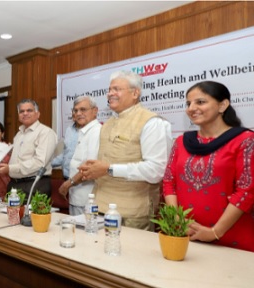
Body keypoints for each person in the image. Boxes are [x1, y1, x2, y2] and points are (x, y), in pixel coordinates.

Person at [163, 81, 254, 252]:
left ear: (223, 105)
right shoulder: (182, 141)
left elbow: (246, 191)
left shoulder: (245, 140)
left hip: (231, 238)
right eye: (188, 103)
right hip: (185, 235)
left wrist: (214, 232)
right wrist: (178, 221)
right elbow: (169, 182)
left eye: (200, 102)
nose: (191, 108)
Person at [79, 70, 172, 230]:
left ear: (135, 93)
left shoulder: (152, 122)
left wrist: (109, 169)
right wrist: (92, 169)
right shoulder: (108, 123)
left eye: (116, 89)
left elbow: (156, 170)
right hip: (99, 208)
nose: (110, 94)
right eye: (109, 90)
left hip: (132, 214)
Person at [0, 99, 57, 198]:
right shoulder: (19, 134)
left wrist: (10, 168)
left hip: (35, 184)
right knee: (12, 213)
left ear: (38, 114)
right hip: (14, 184)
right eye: (22, 111)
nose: (25, 113)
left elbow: (40, 163)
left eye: (29, 110)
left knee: (30, 214)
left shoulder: (45, 133)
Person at [57, 96, 101, 215]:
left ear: (95, 111)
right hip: (77, 196)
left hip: (86, 199)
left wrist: (68, 183)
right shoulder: (83, 131)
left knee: (82, 231)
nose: (78, 113)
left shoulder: (96, 132)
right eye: (75, 110)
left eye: (83, 109)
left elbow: (90, 167)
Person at [51, 112, 80, 180]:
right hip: (67, 176)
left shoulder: (93, 131)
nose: (76, 113)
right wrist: (48, 164)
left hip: (82, 178)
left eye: (81, 110)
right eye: (74, 110)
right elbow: (66, 153)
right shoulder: (69, 130)